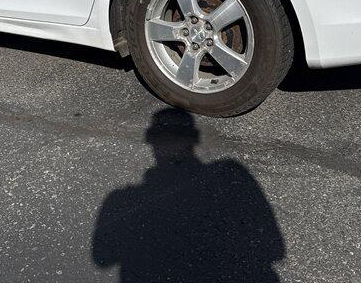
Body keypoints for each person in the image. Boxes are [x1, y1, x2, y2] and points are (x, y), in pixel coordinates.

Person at [92, 108, 285, 282]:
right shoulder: (230, 172)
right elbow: (275, 250)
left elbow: (102, 258)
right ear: (194, 139)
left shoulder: (122, 199)